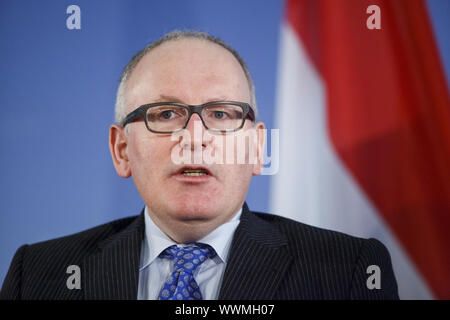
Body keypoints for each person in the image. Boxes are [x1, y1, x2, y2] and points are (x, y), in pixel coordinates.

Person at [0, 30, 399, 300]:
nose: (194, 136)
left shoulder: (346, 272)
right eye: (166, 114)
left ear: (258, 148)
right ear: (121, 149)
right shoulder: (37, 276)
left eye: (222, 115)